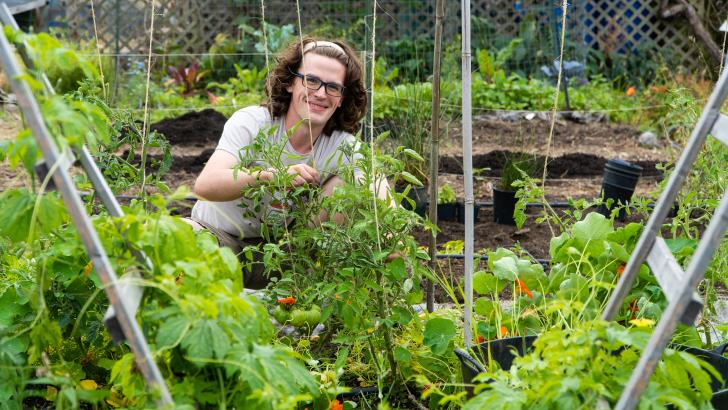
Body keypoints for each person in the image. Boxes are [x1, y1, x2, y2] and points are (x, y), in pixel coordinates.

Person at [184, 37, 375, 289]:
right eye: (312, 80)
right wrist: (272, 176)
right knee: (184, 233)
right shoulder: (252, 122)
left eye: (332, 87)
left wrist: (394, 235)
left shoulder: (344, 145)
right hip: (221, 244)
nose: (320, 93)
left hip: (288, 261)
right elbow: (205, 185)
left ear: (341, 98)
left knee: (348, 185)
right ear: (290, 83)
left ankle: (310, 292)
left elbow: (377, 189)